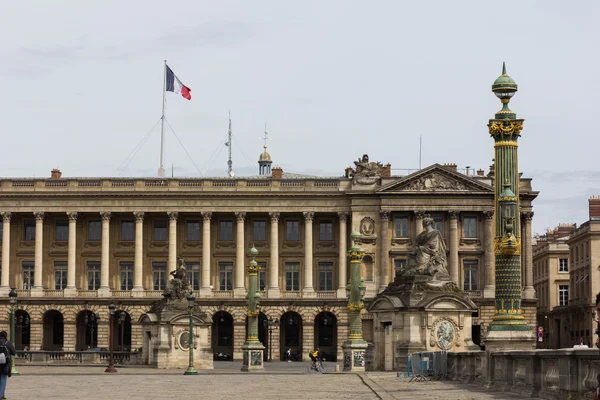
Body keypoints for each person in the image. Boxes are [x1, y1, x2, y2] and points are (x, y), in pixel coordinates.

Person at [0, 330, 16, 400]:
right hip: (5, 364)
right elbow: (13, 353)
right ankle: (1, 395)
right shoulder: (8, 343)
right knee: (3, 380)